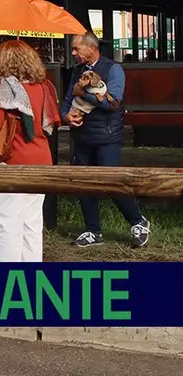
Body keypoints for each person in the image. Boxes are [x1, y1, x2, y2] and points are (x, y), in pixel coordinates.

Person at [0, 40, 60, 262]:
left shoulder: (2, 88)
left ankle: (10, 283)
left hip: (11, 163)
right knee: (32, 224)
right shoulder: (45, 87)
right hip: (42, 160)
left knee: (7, 225)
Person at [64, 32, 149, 248]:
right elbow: (67, 98)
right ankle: (93, 231)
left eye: (76, 49)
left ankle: (138, 222)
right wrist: (65, 116)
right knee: (85, 184)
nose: (73, 53)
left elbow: (113, 103)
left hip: (107, 136)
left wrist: (83, 93)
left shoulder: (114, 70)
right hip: (82, 136)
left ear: (91, 48)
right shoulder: (76, 71)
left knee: (113, 183)